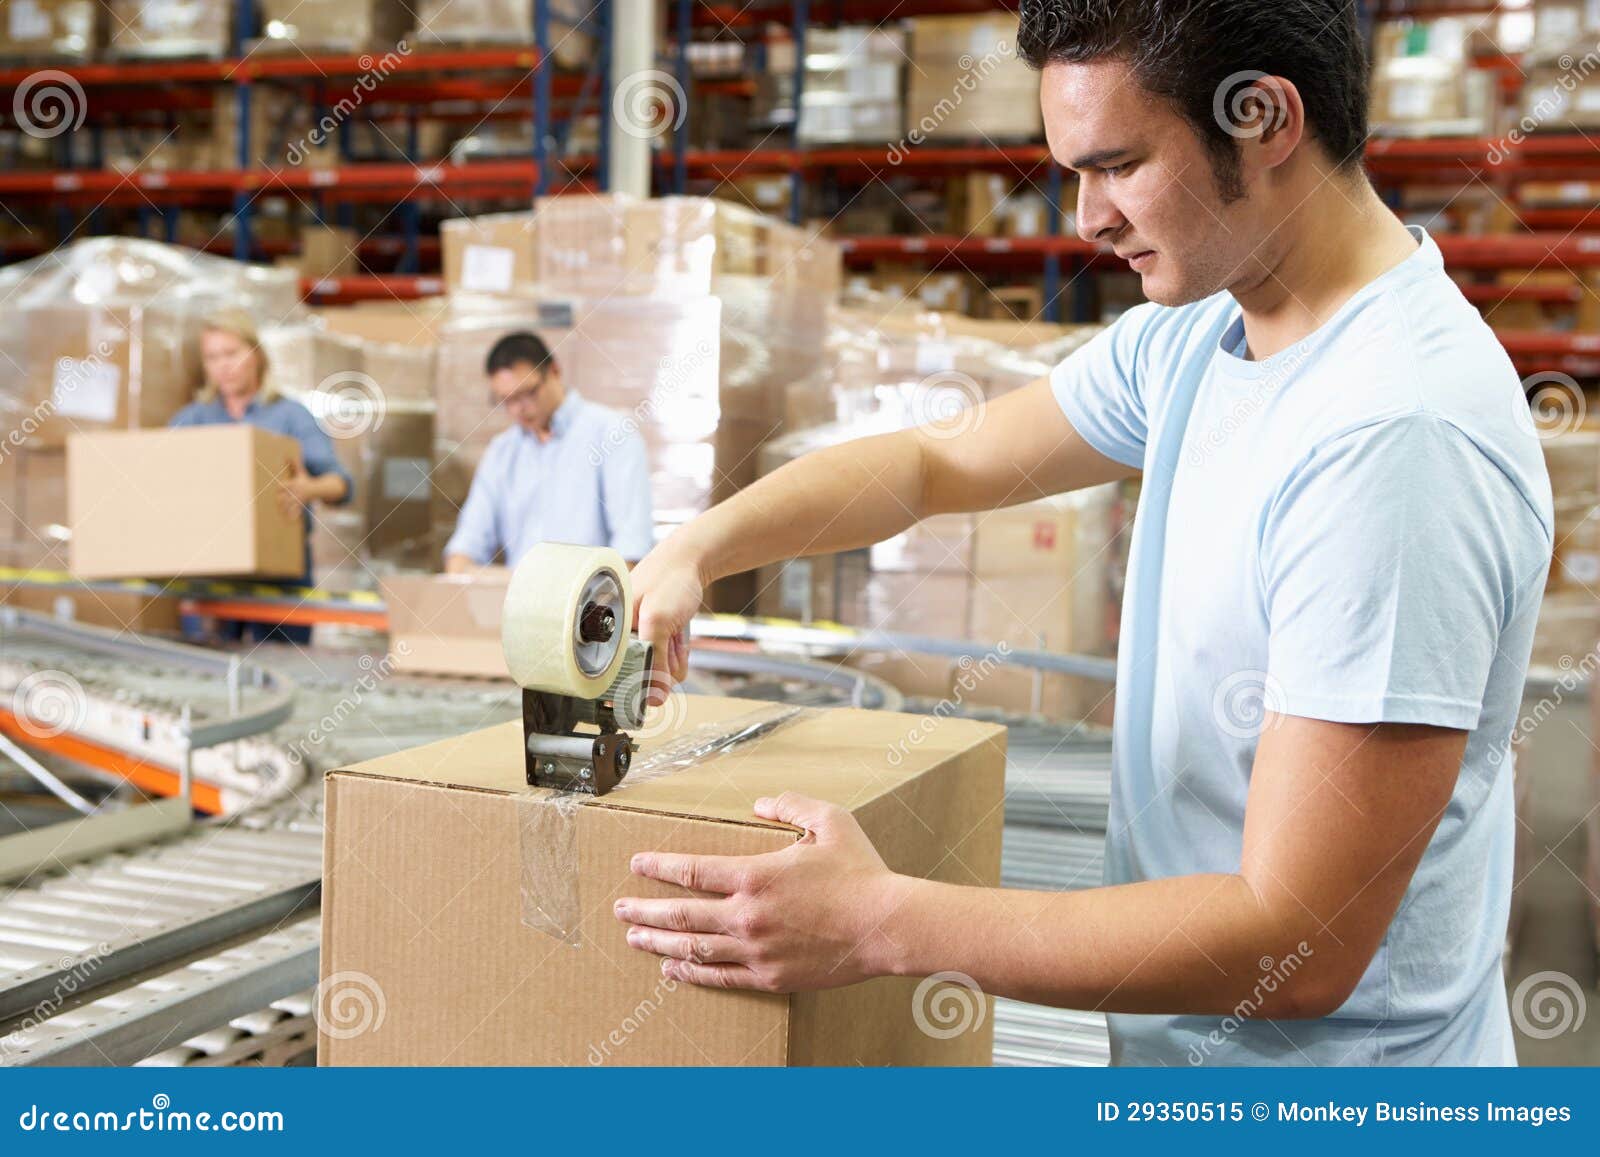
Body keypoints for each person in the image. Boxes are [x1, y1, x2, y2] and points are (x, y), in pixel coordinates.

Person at [612, 0, 1555, 1066]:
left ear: (1267, 119)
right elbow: (937, 461)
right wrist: (696, 549)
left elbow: (1298, 937)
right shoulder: (1202, 332)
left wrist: (881, 920)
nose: (1085, 217)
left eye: (1116, 164)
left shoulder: (1394, 440)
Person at [169, 309, 354, 646]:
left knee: (284, 672)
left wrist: (308, 488)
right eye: (212, 357)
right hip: (210, 575)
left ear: (256, 355)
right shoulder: (192, 419)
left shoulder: (289, 416)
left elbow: (341, 485)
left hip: (281, 573)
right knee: (208, 679)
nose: (222, 365)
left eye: (231, 353)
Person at [442, 332, 654, 572]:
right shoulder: (502, 451)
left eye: (528, 393)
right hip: (517, 603)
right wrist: (460, 574)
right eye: (507, 400)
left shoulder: (613, 435)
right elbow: (466, 546)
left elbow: (632, 548)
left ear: (554, 371)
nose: (519, 409)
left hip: (590, 604)